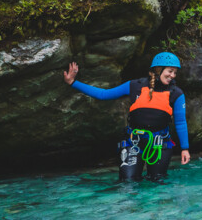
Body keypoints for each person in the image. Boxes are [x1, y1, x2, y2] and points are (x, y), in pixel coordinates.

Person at [63, 52, 191, 182]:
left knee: (157, 182)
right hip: (133, 142)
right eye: (170, 71)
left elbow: (180, 122)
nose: (172, 76)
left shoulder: (177, 93)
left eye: (175, 72)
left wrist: (185, 148)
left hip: (159, 145)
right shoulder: (135, 85)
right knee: (128, 182)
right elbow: (103, 94)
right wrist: (73, 82)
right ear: (158, 69)